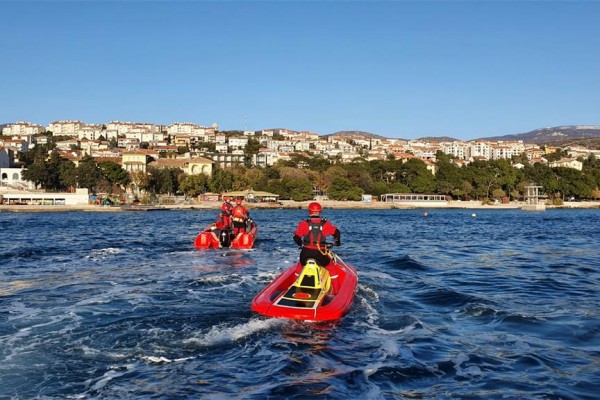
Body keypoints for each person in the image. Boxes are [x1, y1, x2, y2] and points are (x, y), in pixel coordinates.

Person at [293, 201, 341, 293]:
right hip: (320, 253)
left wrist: (299, 243)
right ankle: (336, 292)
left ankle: (293, 286)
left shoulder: (304, 223)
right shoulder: (325, 224)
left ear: (309, 211)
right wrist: (337, 241)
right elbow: (337, 233)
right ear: (320, 211)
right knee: (331, 268)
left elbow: (296, 237)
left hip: (305, 253)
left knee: (299, 266)